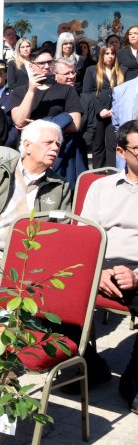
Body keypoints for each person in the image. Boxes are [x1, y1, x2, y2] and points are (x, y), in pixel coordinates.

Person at [0, 120, 70, 271]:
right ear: (28, 146)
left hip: (22, 262)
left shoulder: (60, 186)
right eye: (48, 142)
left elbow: (62, 233)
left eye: (58, 144)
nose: (55, 148)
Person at [81, 121, 138, 410]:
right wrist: (96, 268)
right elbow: (84, 235)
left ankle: (133, 377)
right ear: (121, 151)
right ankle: (91, 365)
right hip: (102, 261)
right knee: (48, 293)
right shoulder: (101, 187)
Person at [10, 51, 83, 182]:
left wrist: (38, 124)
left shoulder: (67, 90)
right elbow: (19, 121)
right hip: (30, 152)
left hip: (58, 154)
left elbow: (75, 124)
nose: (46, 66)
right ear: (31, 66)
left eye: (49, 62)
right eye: (41, 63)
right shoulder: (19, 91)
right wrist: (31, 90)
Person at [83, 45, 123, 168]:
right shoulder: (91, 70)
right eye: (107, 53)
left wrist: (114, 109)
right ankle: (97, 174)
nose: (110, 56)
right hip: (97, 113)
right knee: (98, 145)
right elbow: (87, 92)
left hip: (114, 113)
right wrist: (100, 109)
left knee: (112, 145)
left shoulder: (120, 71)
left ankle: (112, 173)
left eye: (112, 53)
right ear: (101, 55)